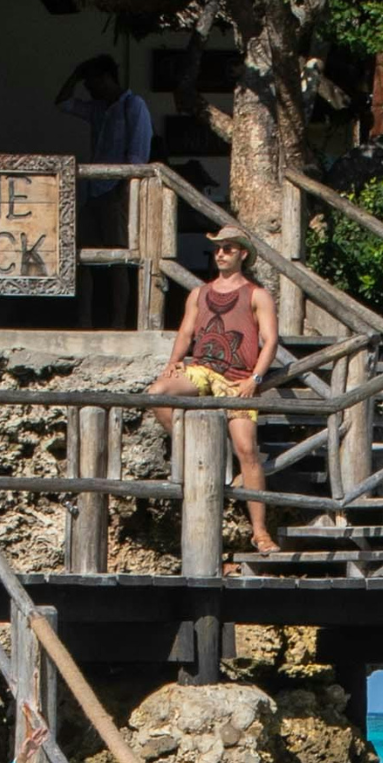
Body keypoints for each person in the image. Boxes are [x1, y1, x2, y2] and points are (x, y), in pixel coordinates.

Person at [151, 227, 283, 556]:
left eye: (228, 248)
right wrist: (173, 361)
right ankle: (198, 453)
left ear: (242, 254)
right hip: (202, 369)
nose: (221, 253)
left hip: (237, 377)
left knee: (247, 450)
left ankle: (260, 531)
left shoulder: (257, 294)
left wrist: (255, 377)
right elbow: (185, 331)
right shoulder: (199, 293)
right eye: (218, 248)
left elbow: (270, 341)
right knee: (157, 393)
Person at [56, 54, 152, 323]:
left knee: (119, 259)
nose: (89, 89)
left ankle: (119, 322)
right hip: (93, 190)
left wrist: (124, 190)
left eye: (91, 83)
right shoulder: (99, 109)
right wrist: (75, 75)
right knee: (82, 256)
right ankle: (84, 320)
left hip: (116, 190)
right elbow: (63, 103)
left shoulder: (133, 106)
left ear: (106, 78)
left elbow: (137, 154)